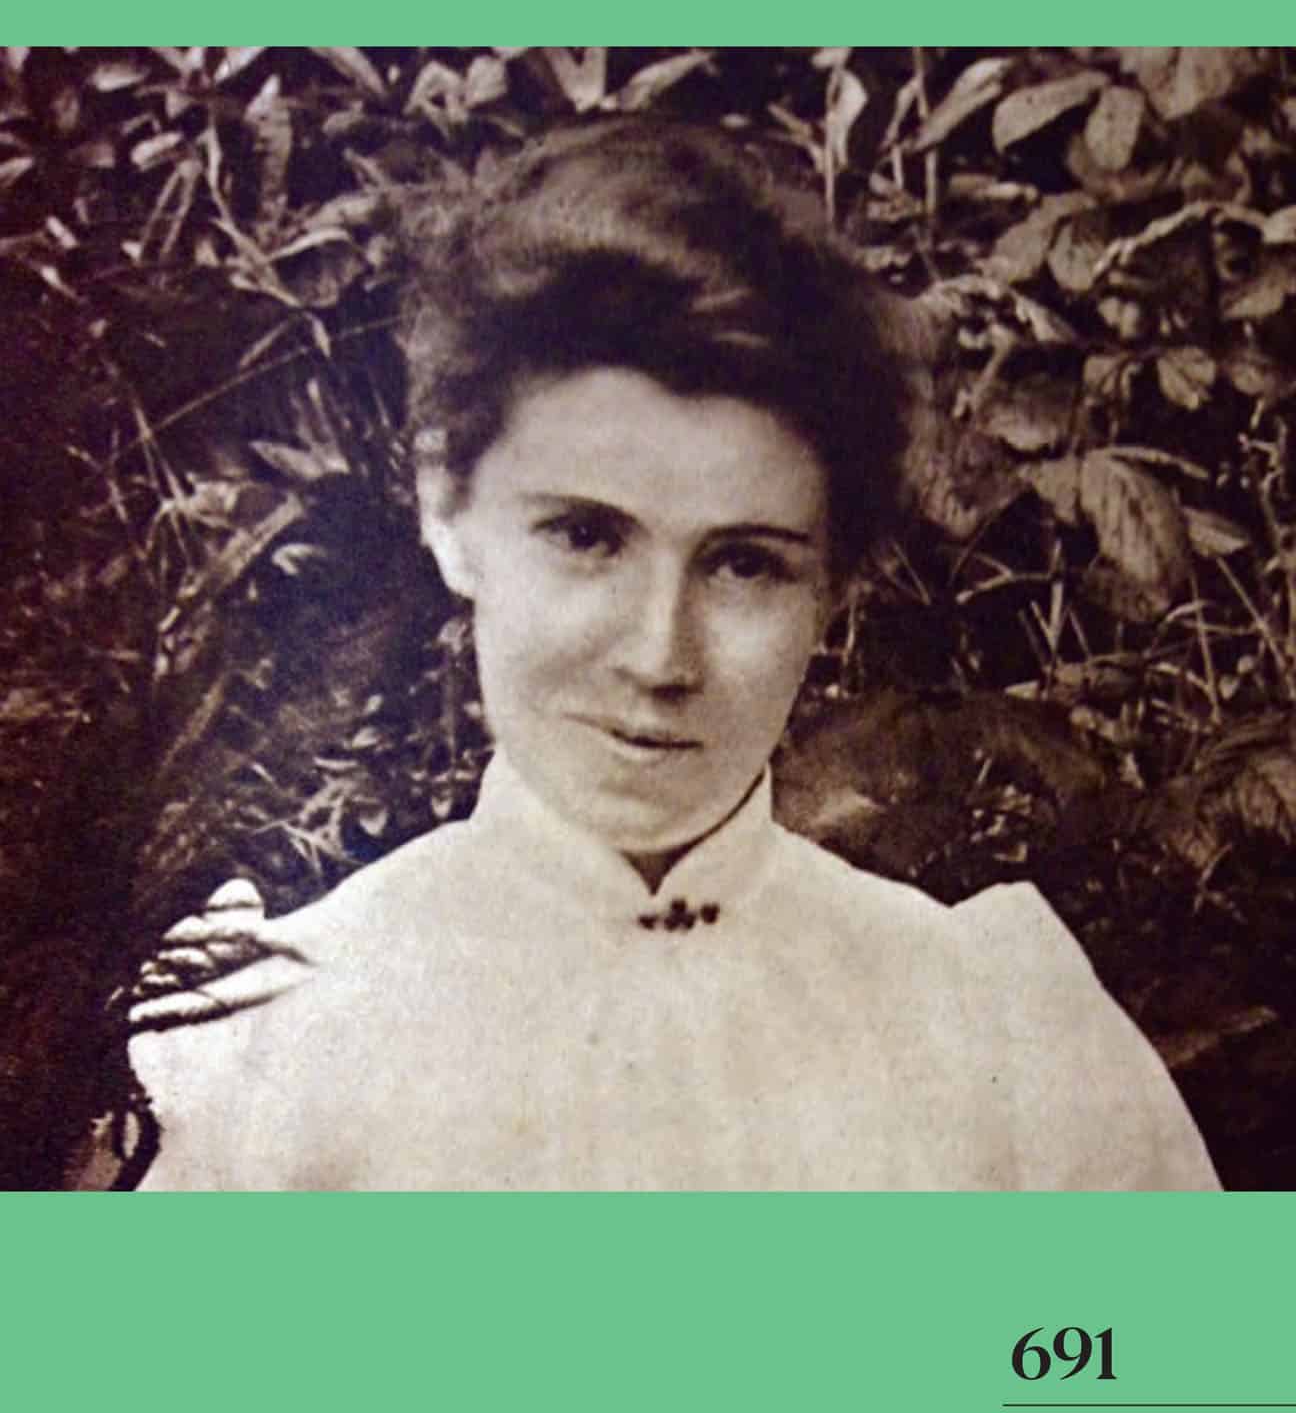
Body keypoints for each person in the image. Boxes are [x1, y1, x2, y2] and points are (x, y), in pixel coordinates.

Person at [131, 119, 1218, 1190]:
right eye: (586, 537)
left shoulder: (999, 1039)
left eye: (745, 564)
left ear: (834, 587)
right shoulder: (266, 1056)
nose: (661, 656)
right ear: (446, 509)